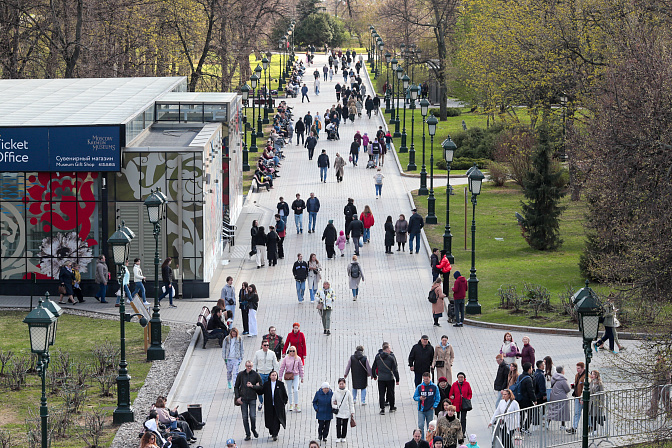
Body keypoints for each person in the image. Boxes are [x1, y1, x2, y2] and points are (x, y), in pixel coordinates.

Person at [234, 360, 262, 441]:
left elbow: (261, 386)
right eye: (248, 366)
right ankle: (248, 434)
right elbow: (236, 386)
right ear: (245, 366)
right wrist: (237, 397)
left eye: (250, 366)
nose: (249, 368)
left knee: (253, 416)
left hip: (252, 398)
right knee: (245, 417)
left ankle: (253, 429)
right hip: (243, 399)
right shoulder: (241, 374)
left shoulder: (256, 375)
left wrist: (252, 386)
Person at [257, 370, 287, 441]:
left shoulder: (280, 384)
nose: (274, 377)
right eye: (272, 375)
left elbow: (285, 395)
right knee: (270, 420)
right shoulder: (267, 384)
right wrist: (257, 387)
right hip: (269, 406)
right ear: (270, 376)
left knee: (277, 420)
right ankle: (271, 431)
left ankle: (275, 434)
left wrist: (283, 403)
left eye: (275, 375)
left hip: (278, 406)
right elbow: (261, 392)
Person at [372, 342, 400, 415]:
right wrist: (397, 379)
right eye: (389, 349)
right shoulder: (391, 358)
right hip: (390, 378)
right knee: (391, 393)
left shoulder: (378, 357)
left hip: (381, 379)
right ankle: (392, 407)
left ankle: (382, 409)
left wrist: (375, 376)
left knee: (381, 394)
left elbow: (374, 367)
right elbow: (395, 369)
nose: (390, 350)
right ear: (386, 349)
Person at [254, 339, 280, 410]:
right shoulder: (257, 353)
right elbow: (255, 364)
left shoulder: (272, 353)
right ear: (262, 345)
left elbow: (275, 364)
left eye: (267, 345)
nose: (266, 347)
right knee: (259, 389)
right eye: (265, 345)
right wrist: (254, 375)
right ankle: (261, 402)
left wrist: (276, 374)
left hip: (269, 373)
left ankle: (269, 403)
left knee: (269, 389)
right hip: (260, 373)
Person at [414, 372, 441, 438]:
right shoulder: (419, 387)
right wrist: (419, 398)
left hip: (430, 409)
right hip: (421, 409)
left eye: (427, 379)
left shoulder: (434, 387)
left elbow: (438, 397)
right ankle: (422, 440)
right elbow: (415, 397)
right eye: (424, 379)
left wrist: (434, 406)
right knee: (420, 425)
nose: (426, 381)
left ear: (430, 378)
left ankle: (429, 439)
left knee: (430, 426)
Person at [279, 344, 304, 412]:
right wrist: (280, 376)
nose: (292, 352)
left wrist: (302, 377)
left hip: (296, 375)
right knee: (289, 390)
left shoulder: (298, 358)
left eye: (293, 351)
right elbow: (282, 367)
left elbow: (301, 368)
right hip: (288, 375)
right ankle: (291, 404)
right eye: (290, 351)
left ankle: (296, 404)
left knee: (295, 390)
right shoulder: (286, 358)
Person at [332, 378, 355, 443]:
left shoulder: (348, 392)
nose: (341, 385)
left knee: (345, 424)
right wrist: (336, 407)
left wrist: (352, 411)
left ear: (345, 384)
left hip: (346, 411)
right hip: (339, 411)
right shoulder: (335, 392)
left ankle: (343, 437)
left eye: (342, 384)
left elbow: (351, 402)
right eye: (340, 384)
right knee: (338, 425)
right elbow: (333, 401)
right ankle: (338, 437)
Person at [516, 362, 537, 433]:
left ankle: (520, 427)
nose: (532, 369)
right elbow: (530, 391)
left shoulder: (520, 376)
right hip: (526, 399)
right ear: (529, 369)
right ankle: (525, 428)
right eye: (531, 368)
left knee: (521, 414)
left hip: (519, 398)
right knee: (530, 413)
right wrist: (534, 400)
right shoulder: (528, 379)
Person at [567, 361, 586, 434]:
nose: (577, 370)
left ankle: (591, 427)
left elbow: (585, 388)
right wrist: (574, 386)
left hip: (583, 398)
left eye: (579, 368)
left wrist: (582, 397)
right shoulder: (577, 375)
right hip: (577, 397)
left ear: (583, 368)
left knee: (587, 413)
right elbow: (577, 384)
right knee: (576, 413)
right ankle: (574, 427)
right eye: (577, 368)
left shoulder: (586, 376)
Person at [588, 370, 605, 435]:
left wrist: (601, 403)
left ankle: (602, 428)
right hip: (591, 402)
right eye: (591, 374)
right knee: (592, 416)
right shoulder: (591, 382)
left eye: (593, 374)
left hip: (597, 402)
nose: (592, 376)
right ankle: (594, 430)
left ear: (596, 375)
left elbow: (602, 394)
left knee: (597, 416)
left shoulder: (599, 384)